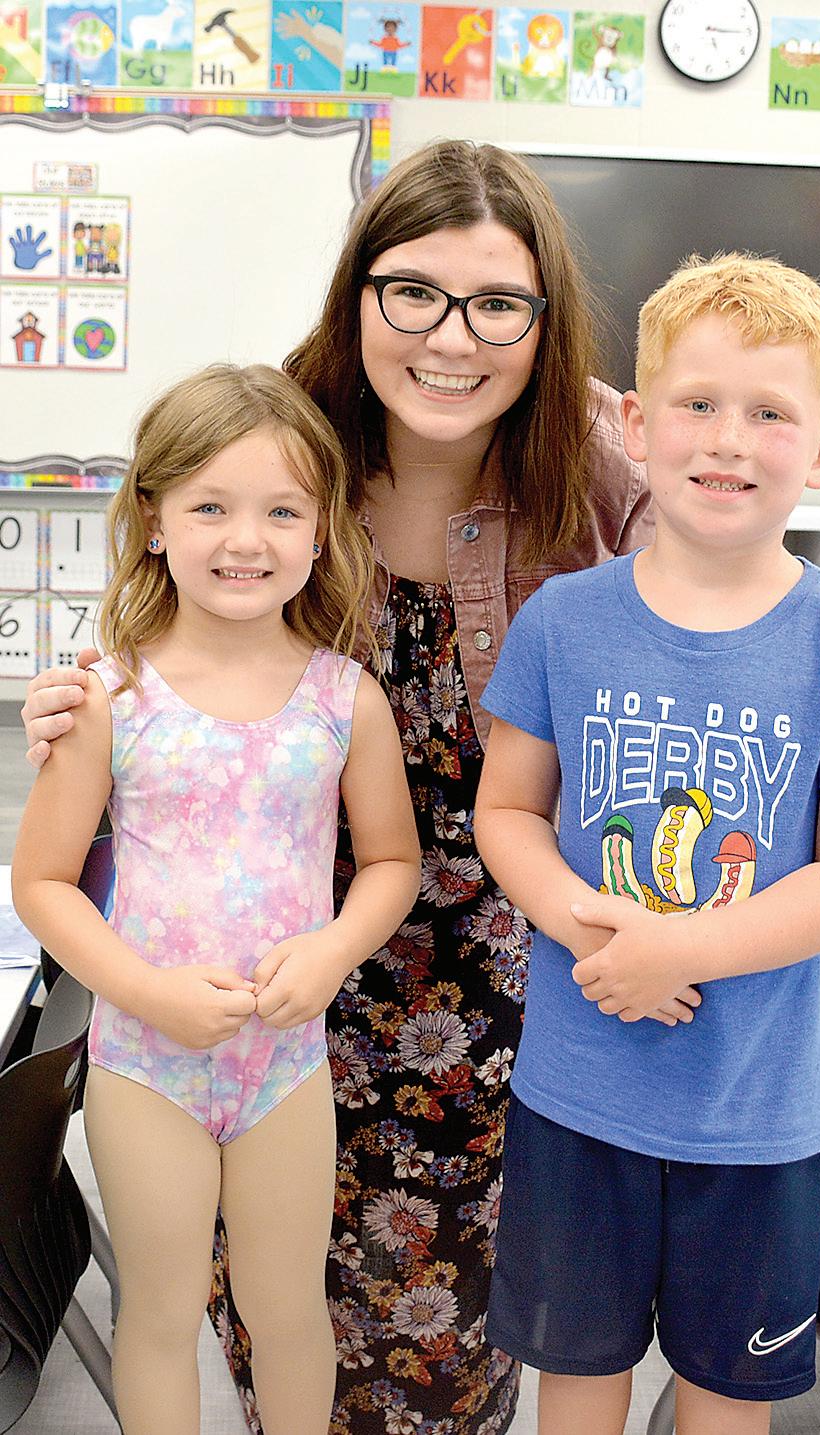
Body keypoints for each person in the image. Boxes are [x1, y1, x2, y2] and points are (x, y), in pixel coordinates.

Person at [19, 141, 697, 1435]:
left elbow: (707, 636)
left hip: (495, 986)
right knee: (270, 1305)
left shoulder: (599, 459)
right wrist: (81, 696)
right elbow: (175, 615)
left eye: (496, 303)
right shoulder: (279, 434)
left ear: (543, 318)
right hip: (261, 985)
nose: (451, 337)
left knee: (444, 1338)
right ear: (359, 293)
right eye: (413, 292)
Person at [474, 253, 820, 1435]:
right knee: (576, 1376)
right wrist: (593, 932)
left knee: (728, 1393)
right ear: (635, 425)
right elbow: (506, 812)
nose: (727, 439)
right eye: (696, 403)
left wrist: (683, 949)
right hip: (576, 1096)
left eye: (769, 413)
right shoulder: (562, 619)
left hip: (760, 1115)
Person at [12, 364, 420, 1435]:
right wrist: (148, 991)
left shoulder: (344, 698)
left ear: (322, 530)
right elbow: (42, 883)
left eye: (282, 510)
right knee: (159, 1311)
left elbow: (390, 862)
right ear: (153, 520)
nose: (247, 539)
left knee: (288, 1311)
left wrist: (332, 951)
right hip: (145, 1066)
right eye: (210, 508)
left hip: (285, 1066)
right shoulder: (108, 696)